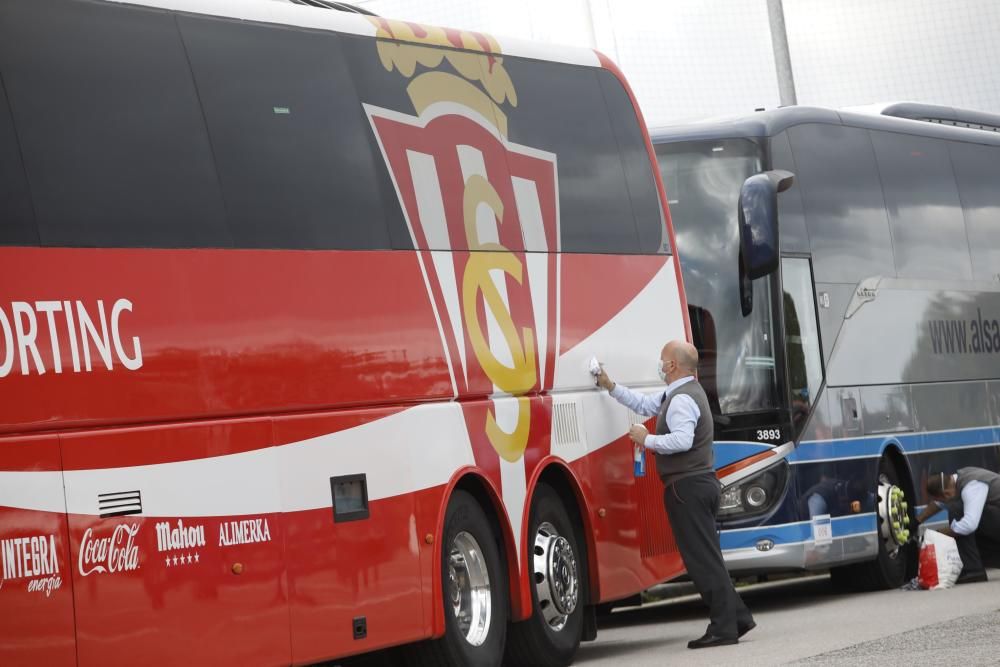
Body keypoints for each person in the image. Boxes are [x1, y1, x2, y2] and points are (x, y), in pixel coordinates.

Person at [596, 340, 755, 649]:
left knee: (701, 560)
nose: (660, 364)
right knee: (709, 556)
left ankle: (723, 628)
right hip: (698, 484)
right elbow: (644, 405)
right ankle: (738, 617)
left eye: (663, 360)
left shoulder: (681, 400)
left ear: (673, 366)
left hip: (688, 488)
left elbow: (682, 440)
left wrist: (648, 438)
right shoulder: (680, 394)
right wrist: (611, 386)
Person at [918, 467, 1000, 583]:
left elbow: (969, 525)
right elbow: (939, 504)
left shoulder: (971, 487)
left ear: (946, 494)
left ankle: (972, 570)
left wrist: (938, 534)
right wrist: (917, 521)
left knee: (956, 510)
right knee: (957, 508)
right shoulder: (956, 480)